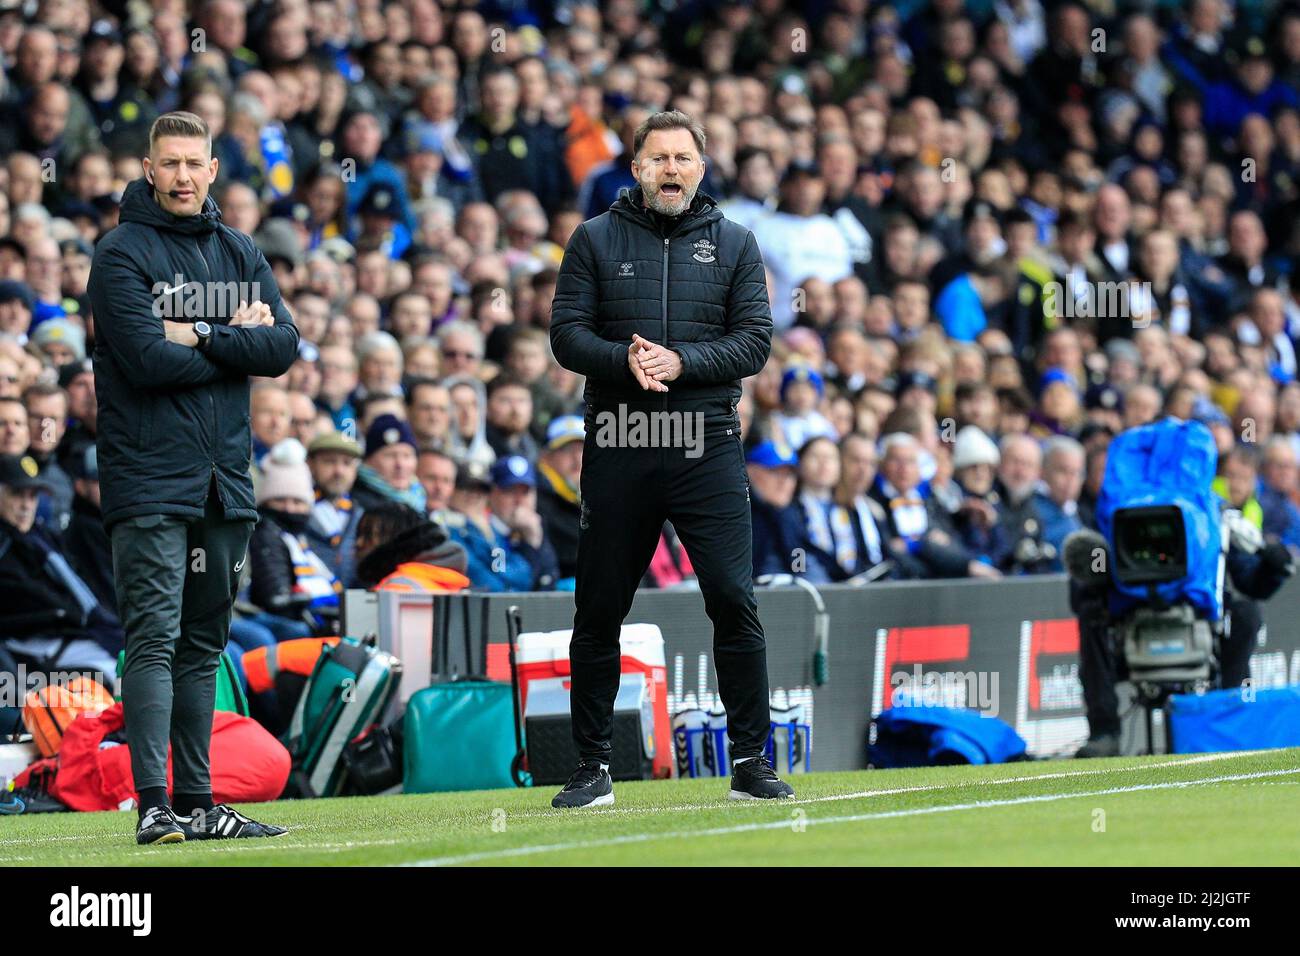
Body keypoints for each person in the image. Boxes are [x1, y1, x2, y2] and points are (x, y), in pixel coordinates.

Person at [549, 110, 794, 806]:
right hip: (620, 441)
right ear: (635, 168)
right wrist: (627, 361)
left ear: (701, 167)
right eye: (658, 158)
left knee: (733, 598)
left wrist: (680, 362)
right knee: (599, 609)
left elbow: (754, 344)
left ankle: (751, 761)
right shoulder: (593, 238)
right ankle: (591, 767)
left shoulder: (738, 243)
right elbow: (567, 336)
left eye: (683, 158)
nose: (671, 170)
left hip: (704, 445)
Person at [86, 111, 296, 845]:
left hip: (224, 484)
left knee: (202, 647)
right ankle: (153, 805)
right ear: (149, 170)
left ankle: (201, 804)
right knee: (153, 638)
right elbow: (146, 360)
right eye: (167, 163)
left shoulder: (238, 247)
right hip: (147, 481)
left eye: (193, 164)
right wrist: (235, 338)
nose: (180, 176)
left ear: (212, 171)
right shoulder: (119, 255)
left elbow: (283, 345)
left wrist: (201, 332)